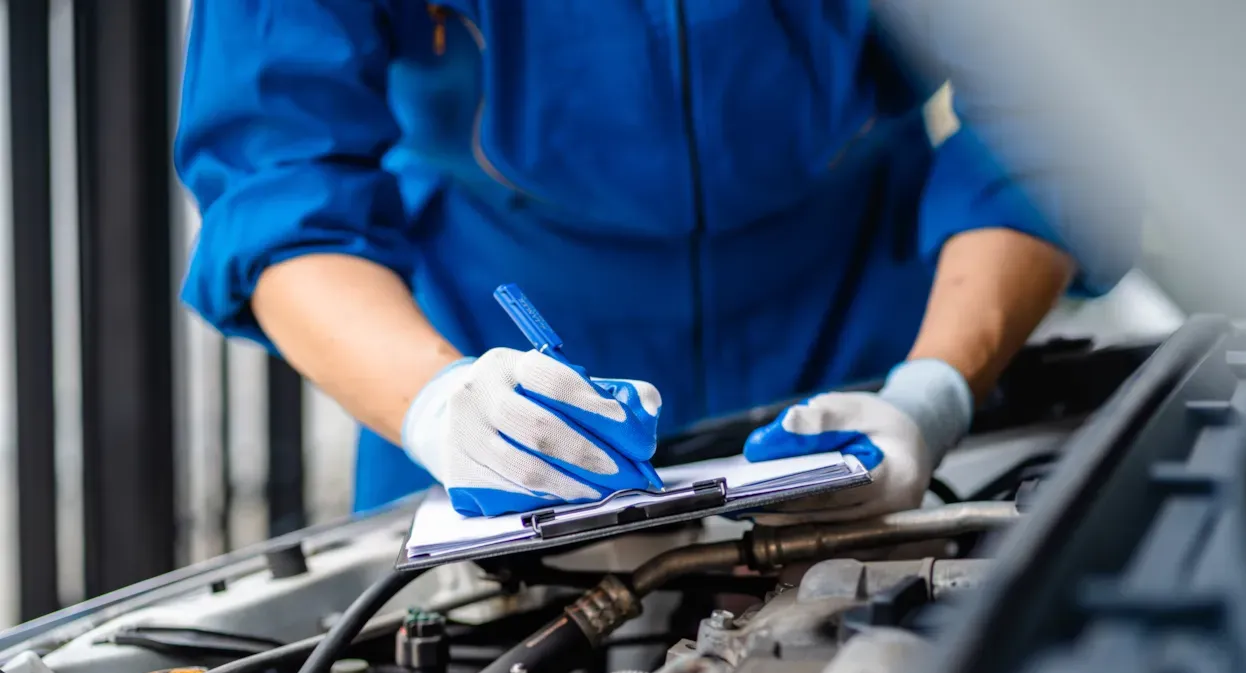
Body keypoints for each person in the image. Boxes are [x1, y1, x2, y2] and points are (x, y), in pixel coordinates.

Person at [174, 2, 1137, 522]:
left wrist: (934, 390)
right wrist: (436, 404)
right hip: (482, 343)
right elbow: (278, 174)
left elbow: (1055, 115)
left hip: (875, 312)